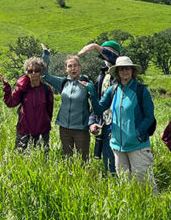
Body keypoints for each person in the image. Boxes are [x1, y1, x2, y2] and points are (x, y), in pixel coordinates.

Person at [92, 56, 157, 192]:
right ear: (117, 72)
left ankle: (153, 210)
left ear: (132, 71)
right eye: (121, 69)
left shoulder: (141, 91)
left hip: (137, 146)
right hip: (118, 147)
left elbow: (149, 117)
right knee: (125, 184)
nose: (124, 71)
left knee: (144, 185)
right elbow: (99, 109)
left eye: (127, 68)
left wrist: (137, 133)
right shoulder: (113, 89)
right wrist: (92, 93)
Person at [41, 43, 96, 160]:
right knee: (68, 159)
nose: (73, 68)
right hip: (64, 128)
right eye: (70, 66)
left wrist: (92, 122)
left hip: (81, 128)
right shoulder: (63, 82)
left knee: (83, 160)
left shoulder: (87, 84)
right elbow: (44, 75)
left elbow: (95, 105)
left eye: (76, 65)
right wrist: (46, 55)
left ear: (80, 67)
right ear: (66, 69)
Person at [80, 40, 122, 173]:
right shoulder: (102, 75)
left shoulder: (122, 71)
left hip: (120, 124)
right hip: (104, 124)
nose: (105, 57)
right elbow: (97, 101)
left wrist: (94, 46)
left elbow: (114, 58)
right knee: (109, 163)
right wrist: (92, 122)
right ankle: (115, 189)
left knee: (122, 164)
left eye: (109, 52)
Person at [2, 57, 54, 151]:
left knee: (42, 159)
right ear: (27, 72)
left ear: (41, 72)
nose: (33, 73)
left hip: (42, 130)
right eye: (30, 71)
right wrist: (7, 89)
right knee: (21, 158)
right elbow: (11, 103)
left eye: (37, 70)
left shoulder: (46, 89)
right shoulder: (23, 89)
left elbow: (50, 110)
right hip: (24, 130)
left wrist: (46, 122)